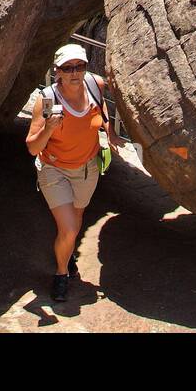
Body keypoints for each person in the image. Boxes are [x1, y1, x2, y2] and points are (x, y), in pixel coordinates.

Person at [25, 43, 120, 302]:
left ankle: (67, 257)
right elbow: (33, 147)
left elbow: (102, 108)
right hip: (54, 169)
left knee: (76, 222)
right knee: (68, 229)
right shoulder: (48, 100)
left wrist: (109, 131)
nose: (75, 72)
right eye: (68, 68)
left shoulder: (94, 85)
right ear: (58, 71)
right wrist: (49, 128)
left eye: (80, 66)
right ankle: (61, 273)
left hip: (87, 169)